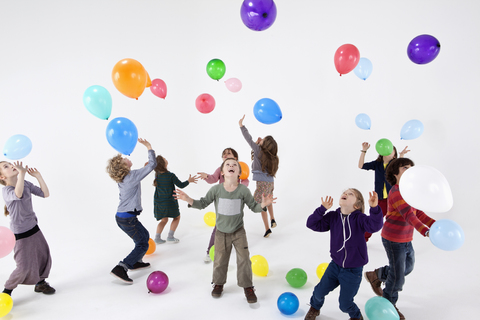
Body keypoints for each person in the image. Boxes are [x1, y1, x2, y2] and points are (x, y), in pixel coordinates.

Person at [174, 158, 275, 304]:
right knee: (220, 260)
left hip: (238, 232)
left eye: (235, 165)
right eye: (228, 164)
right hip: (221, 233)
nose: (231, 166)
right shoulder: (216, 190)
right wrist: (189, 199)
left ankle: (248, 286)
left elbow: (254, 207)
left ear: (239, 173)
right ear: (222, 172)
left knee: (244, 259)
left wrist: (263, 205)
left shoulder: (243, 190)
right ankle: (219, 283)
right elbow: (202, 203)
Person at [364, 158, 436, 320]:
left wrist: (436, 225)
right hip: (393, 239)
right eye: (405, 168)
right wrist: (425, 231)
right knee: (397, 277)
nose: (409, 170)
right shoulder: (396, 191)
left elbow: (420, 214)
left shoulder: (412, 193)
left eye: (411, 168)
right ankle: (389, 303)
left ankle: (377, 274)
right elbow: (409, 216)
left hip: (406, 238)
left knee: (407, 267)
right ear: (395, 174)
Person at [304, 189, 383, 320]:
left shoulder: (360, 219)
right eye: (344, 192)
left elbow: (375, 226)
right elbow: (311, 224)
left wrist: (374, 208)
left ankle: (356, 316)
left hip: (353, 270)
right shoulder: (333, 216)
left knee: (345, 304)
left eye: (351, 194)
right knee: (318, 292)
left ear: (357, 206)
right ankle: (314, 307)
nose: (345, 194)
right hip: (335, 266)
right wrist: (322, 209)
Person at [0, 161, 55, 296]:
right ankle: (7, 291)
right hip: (20, 234)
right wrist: (22, 174)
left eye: (10, 164)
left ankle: (40, 283)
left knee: (44, 256)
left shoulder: (26, 184)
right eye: (6, 167)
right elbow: (17, 194)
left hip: (34, 228)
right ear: (2, 177)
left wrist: (38, 176)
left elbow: (45, 193)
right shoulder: (6, 190)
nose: (11, 166)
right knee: (23, 267)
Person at [106, 138, 156, 284]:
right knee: (142, 243)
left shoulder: (124, 178)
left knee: (144, 236)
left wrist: (143, 169)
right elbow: (153, 164)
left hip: (122, 218)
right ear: (123, 167)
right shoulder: (132, 176)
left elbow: (137, 175)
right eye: (124, 159)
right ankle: (122, 267)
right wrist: (148, 146)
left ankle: (136, 261)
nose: (126, 158)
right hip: (127, 218)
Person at [197, 147, 249, 263]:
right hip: (223, 201)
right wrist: (206, 176)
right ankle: (209, 251)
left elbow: (246, 180)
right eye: (224, 154)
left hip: (236, 201)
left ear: (235, 158)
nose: (225, 155)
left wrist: (241, 188)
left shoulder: (239, 169)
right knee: (218, 226)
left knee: (236, 225)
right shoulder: (221, 169)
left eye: (228, 153)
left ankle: (236, 247)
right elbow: (213, 179)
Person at [358, 142, 409, 241]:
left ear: (394, 155)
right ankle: (362, 238)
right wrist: (364, 150)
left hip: (394, 198)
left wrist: (402, 155)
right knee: (374, 220)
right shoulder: (377, 164)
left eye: (391, 149)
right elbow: (361, 166)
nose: (387, 150)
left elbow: (401, 166)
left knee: (400, 220)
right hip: (381, 199)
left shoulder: (394, 165)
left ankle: (402, 240)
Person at [239, 115, 279, 237]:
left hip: (261, 184)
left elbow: (248, 138)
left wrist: (241, 126)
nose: (260, 139)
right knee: (269, 200)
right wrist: (260, 144)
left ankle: (267, 228)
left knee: (262, 204)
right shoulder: (273, 158)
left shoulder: (258, 150)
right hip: (270, 183)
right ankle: (272, 219)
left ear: (264, 145)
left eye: (263, 140)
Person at [152, 155, 198, 244]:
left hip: (159, 202)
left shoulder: (157, 174)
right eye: (165, 159)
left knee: (164, 220)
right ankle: (170, 236)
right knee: (177, 217)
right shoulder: (170, 175)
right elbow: (181, 185)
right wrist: (189, 181)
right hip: (169, 202)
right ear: (163, 164)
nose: (166, 159)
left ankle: (157, 238)